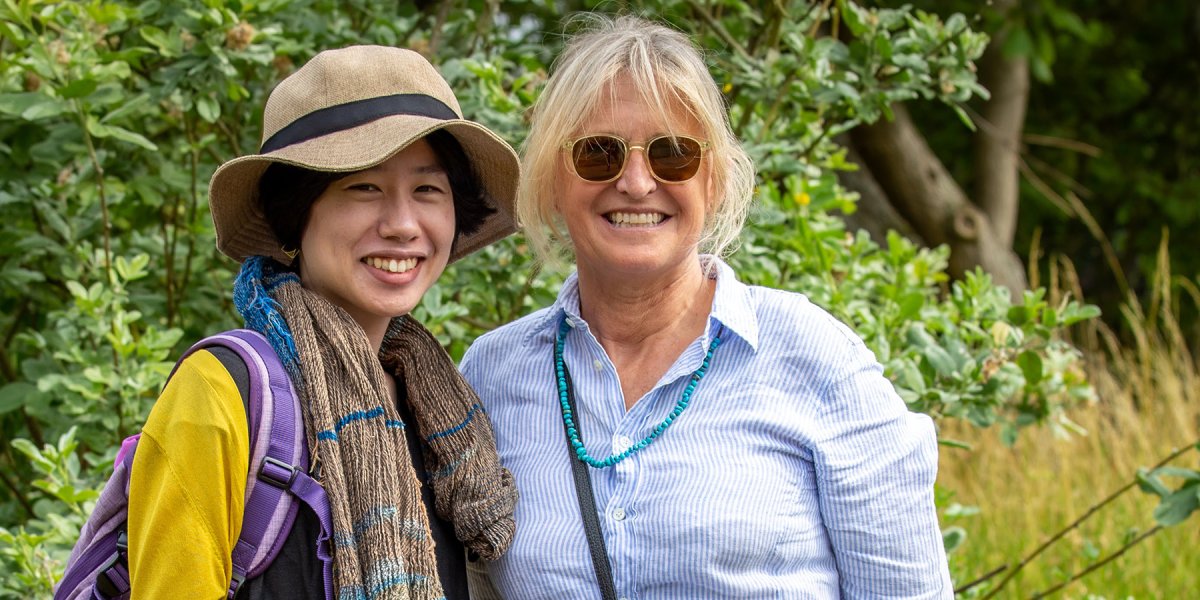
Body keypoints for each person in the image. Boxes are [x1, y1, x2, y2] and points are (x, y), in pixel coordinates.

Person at [460, 15, 952, 598]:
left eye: (673, 154)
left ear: (712, 179)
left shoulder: (819, 362)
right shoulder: (490, 377)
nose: (637, 183)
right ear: (552, 179)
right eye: (599, 154)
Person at [127, 45, 518, 599]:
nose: (403, 224)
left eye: (428, 190)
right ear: (296, 212)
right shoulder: (222, 393)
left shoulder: (435, 405)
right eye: (364, 187)